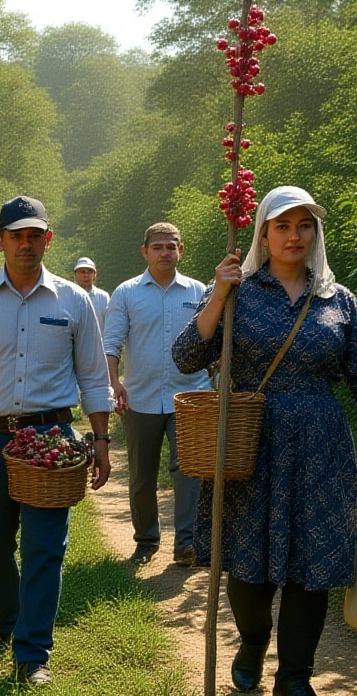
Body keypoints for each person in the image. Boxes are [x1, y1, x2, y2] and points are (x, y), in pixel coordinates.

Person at [171, 186, 357, 696]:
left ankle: (294, 681)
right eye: (282, 226)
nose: (294, 236)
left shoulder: (339, 301)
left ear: (316, 234)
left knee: (314, 566)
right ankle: (252, 641)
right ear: (263, 234)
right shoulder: (237, 289)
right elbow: (187, 355)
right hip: (250, 444)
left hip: (321, 447)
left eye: (304, 226)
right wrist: (217, 296)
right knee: (248, 566)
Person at [0, 195, 113, 686]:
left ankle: (32, 653)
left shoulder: (72, 300)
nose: (26, 244)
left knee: (45, 547)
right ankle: (4, 620)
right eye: (17, 236)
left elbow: (93, 376)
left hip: (52, 440)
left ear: (48, 239)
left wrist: (100, 438)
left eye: (35, 235)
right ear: (0, 240)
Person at [102, 222, 210, 567]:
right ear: (144, 251)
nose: (165, 253)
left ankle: (187, 543)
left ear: (181, 250)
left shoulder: (199, 291)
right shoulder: (127, 293)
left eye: (171, 246)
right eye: (158, 247)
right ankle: (146, 540)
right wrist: (114, 383)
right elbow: (111, 342)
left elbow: (212, 341)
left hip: (190, 397)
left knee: (189, 471)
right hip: (140, 397)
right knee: (142, 475)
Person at [72, 256, 110, 330]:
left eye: (89, 272)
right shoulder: (69, 296)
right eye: (82, 272)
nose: (86, 276)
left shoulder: (103, 297)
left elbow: (109, 324)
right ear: (75, 275)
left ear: (94, 275)